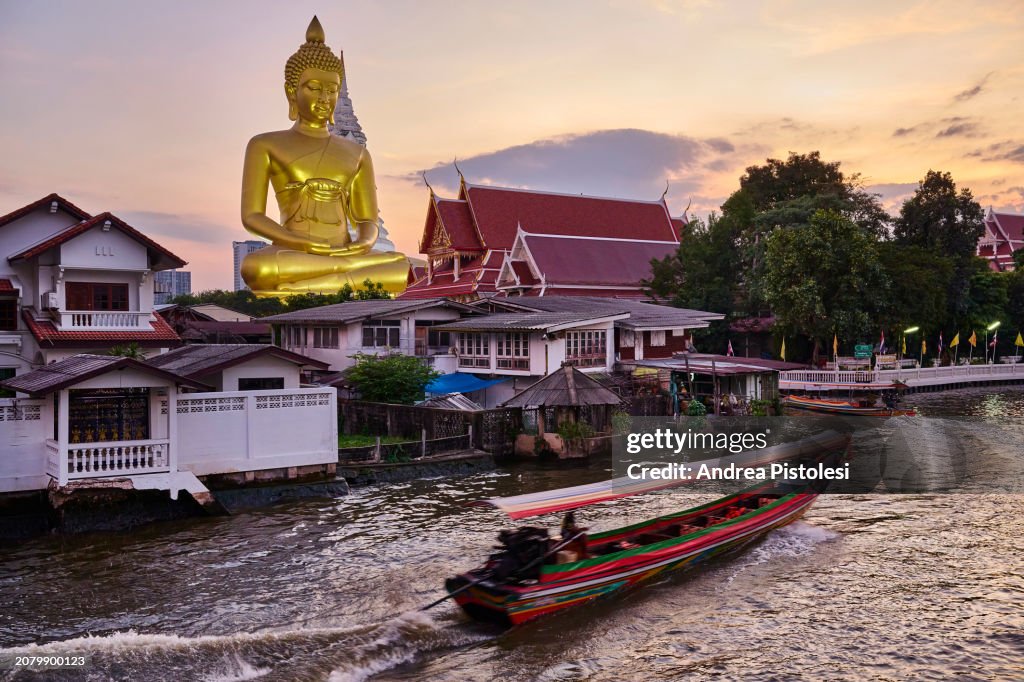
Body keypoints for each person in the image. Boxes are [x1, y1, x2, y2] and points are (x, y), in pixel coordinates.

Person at [239, 17, 410, 296]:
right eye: (315, 88)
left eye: (331, 90)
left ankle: (307, 289)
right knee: (256, 268)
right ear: (291, 92)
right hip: (296, 252)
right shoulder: (265, 144)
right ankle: (344, 286)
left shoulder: (358, 153)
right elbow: (252, 216)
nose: (325, 97)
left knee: (400, 266)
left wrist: (362, 243)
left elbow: (367, 221)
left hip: (347, 253)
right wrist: (303, 244)